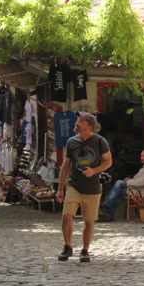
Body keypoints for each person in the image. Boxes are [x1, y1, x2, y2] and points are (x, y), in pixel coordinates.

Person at [56, 112, 113, 263]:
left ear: (88, 125)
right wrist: (60, 188)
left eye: (79, 121)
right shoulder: (71, 142)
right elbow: (65, 166)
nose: (76, 123)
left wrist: (94, 171)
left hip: (93, 188)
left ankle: (85, 250)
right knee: (67, 216)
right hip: (74, 185)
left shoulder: (100, 142)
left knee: (89, 221)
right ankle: (67, 247)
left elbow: (108, 162)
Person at [98, 149, 144, 222]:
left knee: (119, 183)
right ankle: (107, 213)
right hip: (135, 189)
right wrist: (130, 179)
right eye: (141, 156)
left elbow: (141, 182)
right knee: (117, 189)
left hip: (138, 193)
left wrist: (128, 182)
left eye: (143, 156)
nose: (141, 158)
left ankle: (107, 210)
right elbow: (140, 179)